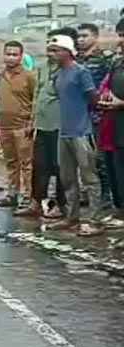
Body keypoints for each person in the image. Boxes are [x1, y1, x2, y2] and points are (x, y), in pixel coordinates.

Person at [49, 34, 103, 235]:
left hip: (82, 131)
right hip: (64, 132)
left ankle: (94, 220)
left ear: (67, 52)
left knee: (90, 177)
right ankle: (72, 217)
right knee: (67, 178)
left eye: (56, 51)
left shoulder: (81, 72)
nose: (52, 54)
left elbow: (93, 98)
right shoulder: (58, 74)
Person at [20, 28, 74, 219]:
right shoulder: (42, 68)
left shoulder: (71, 71)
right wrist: (31, 121)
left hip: (61, 126)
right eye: (49, 49)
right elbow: (37, 95)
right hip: (42, 125)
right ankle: (35, 202)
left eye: (55, 50)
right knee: (39, 165)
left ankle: (61, 204)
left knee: (60, 167)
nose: (51, 53)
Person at [76, 22, 117, 211]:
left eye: (85, 36)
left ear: (95, 37)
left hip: (100, 115)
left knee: (101, 158)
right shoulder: (77, 60)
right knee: (85, 158)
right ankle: (90, 193)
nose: (81, 39)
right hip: (81, 115)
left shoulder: (105, 59)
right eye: (79, 36)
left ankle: (106, 196)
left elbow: (110, 83)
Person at [0, 40, 37, 208]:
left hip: (23, 126)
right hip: (4, 126)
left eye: (15, 54)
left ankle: (28, 197)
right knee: (11, 162)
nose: (11, 58)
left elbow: (35, 101)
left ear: (21, 56)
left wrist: (31, 123)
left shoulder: (29, 76)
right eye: (8, 54)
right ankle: (12, 194)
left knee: (27, 163)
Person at [97, 18, 124, 226]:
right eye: (121, 35)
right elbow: (107, 84)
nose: (122, 40)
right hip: (115, 127)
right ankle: (120, 211)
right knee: (117, 171)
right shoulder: (117, 62)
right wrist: (106, 96)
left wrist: (121, 103)